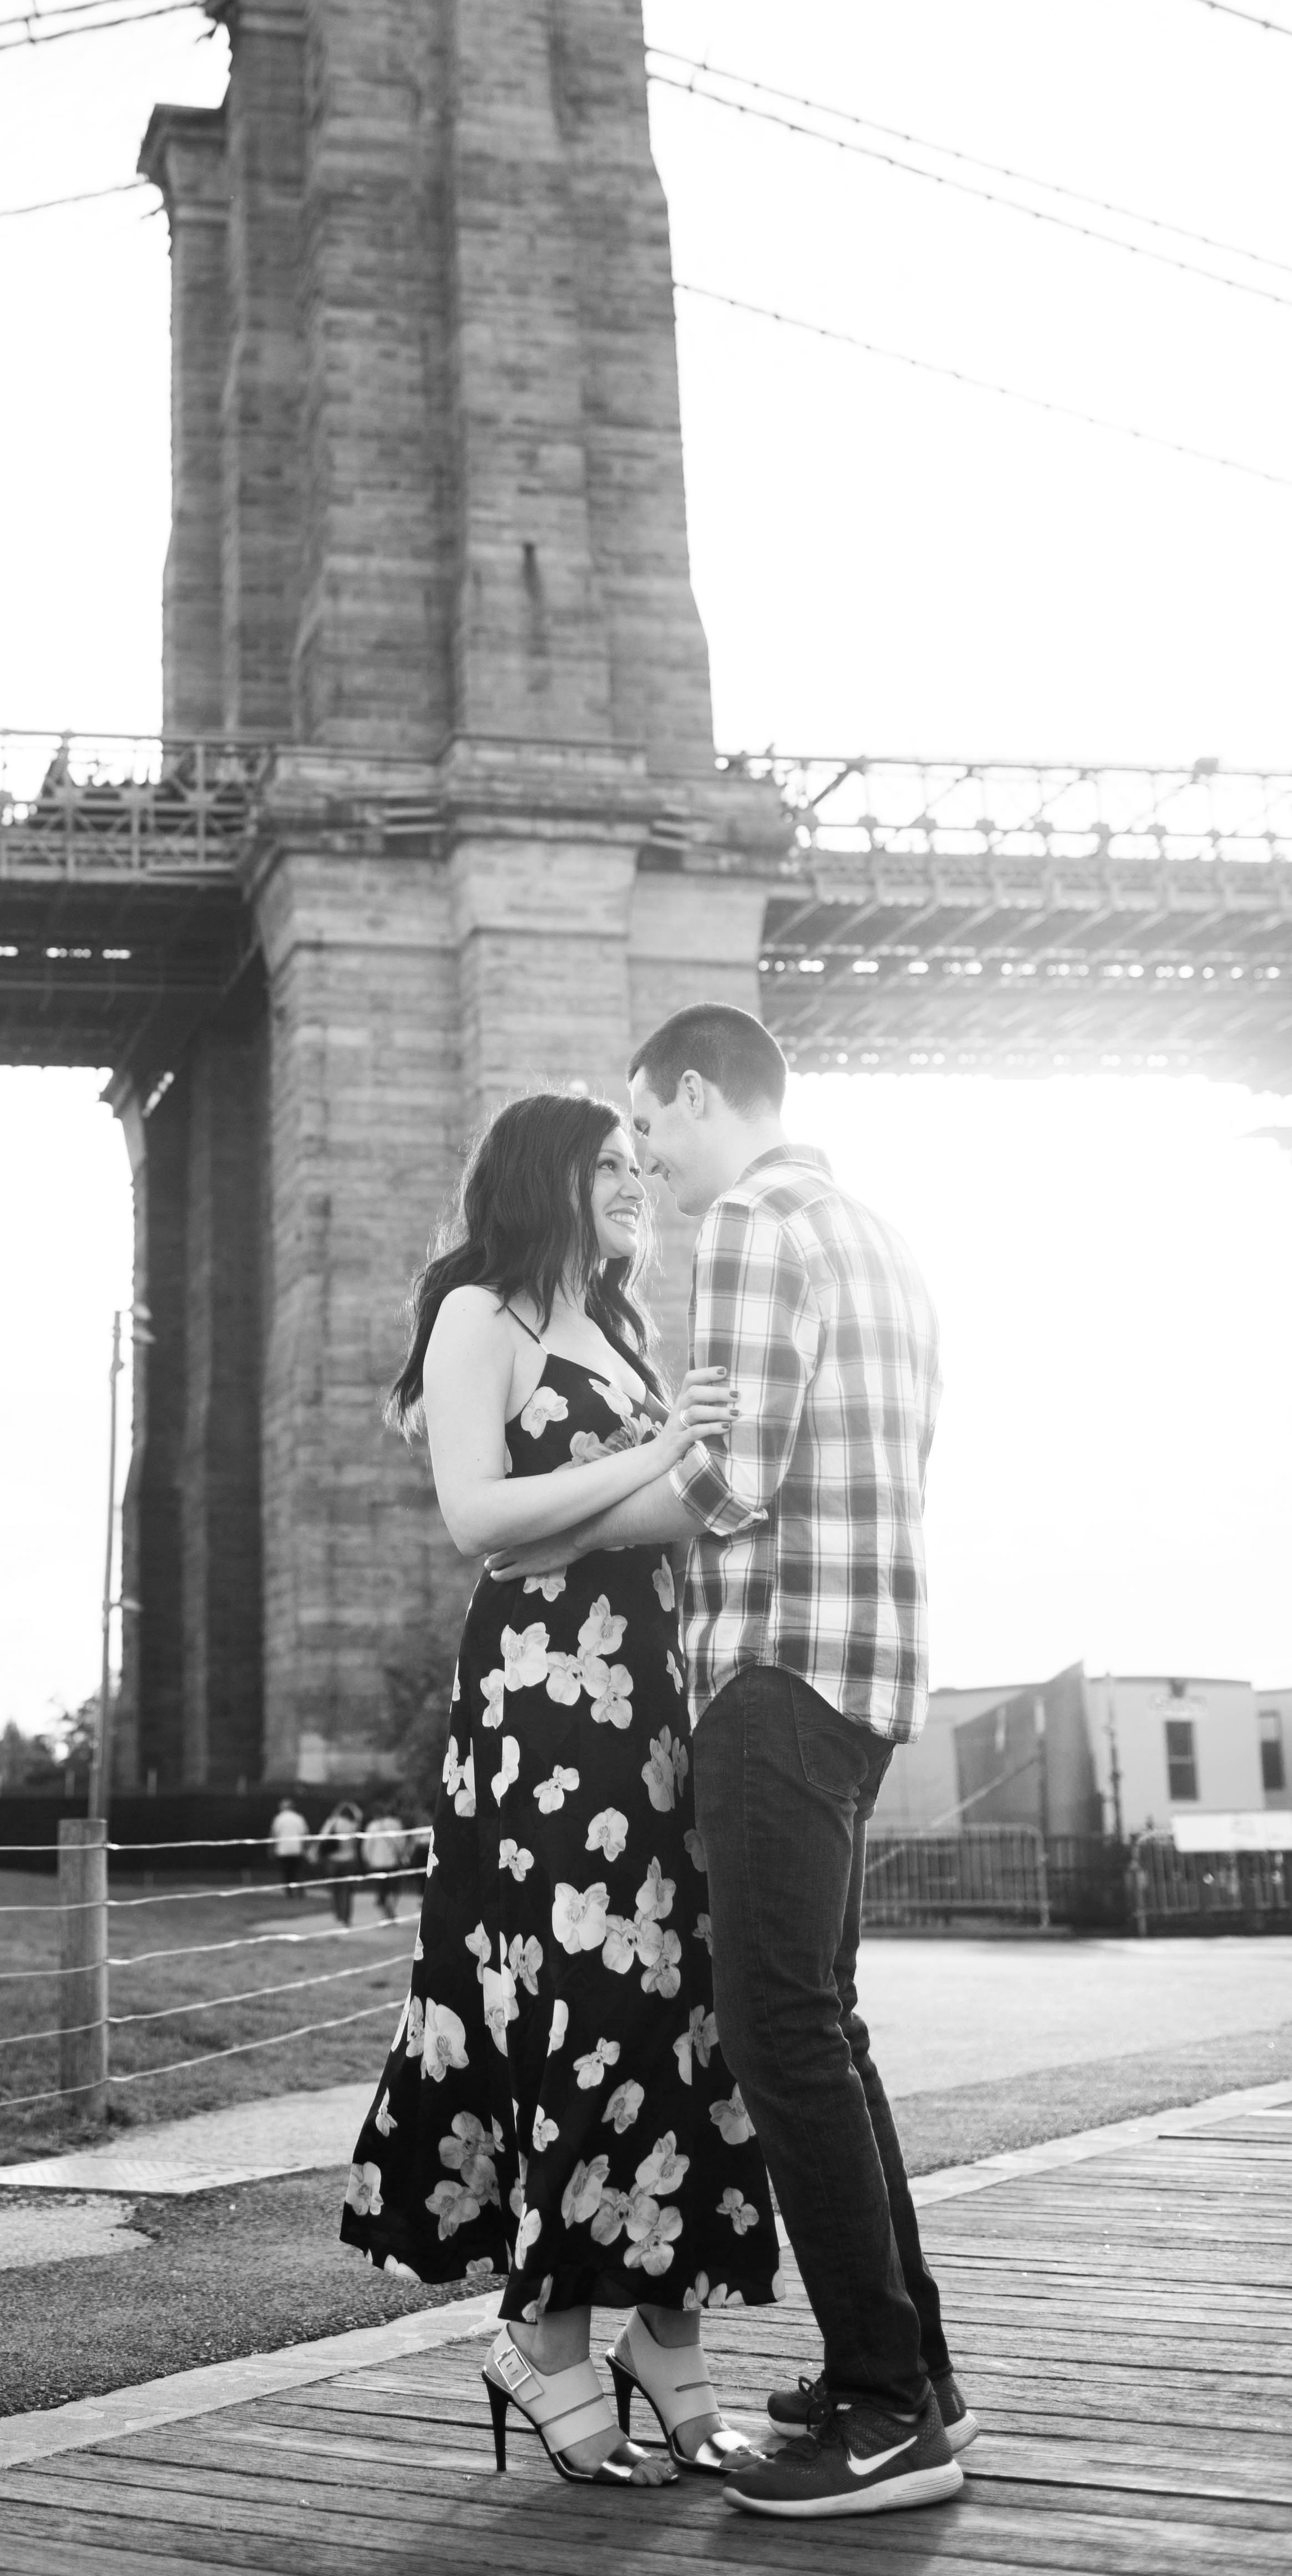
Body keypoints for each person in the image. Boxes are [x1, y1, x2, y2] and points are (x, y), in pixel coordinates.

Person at [340, 1090, 778, 2490]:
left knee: (672, 2013)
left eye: (640, 1160)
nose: (636, 1179)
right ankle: (545, 2333)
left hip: (651, 1700)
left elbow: (628, 1523)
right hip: (543, 1715)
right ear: (544, 1175)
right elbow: (481, 1520)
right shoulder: (486, 1316)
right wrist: (659, 1453)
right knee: (583, 2007)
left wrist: (723, 1469)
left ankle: (665, 2332)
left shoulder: (620, 1331)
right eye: (609, 1163)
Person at [620, 1004, 966, 2518]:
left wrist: (584, 1504)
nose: (649, 1166)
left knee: (779, 2038)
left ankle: (884, 2412)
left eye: (649, 1130)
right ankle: (909, 2375)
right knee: (826, 2025)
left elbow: (731, 1478)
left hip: (769, 1676)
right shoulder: (878, 1233)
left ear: (703, 1096)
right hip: (870, 1673)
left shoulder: (755, 1222)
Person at [317, 1798, 363, 1925]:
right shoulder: (354, 1825)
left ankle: (338, 1915)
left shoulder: (333, 1822)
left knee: (335, 1889)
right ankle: (346, 1917)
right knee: (347, 1890)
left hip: (334, 1860)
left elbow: (322, 1838)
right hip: (350, 1859)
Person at [361, 1805, 408, 1921]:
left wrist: (367, 1858)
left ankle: (384, 1913)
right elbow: (402, 1843)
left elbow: (367, 1845)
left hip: (377, 1862)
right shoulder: (397, 1825)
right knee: (393, 1887)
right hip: (393, 1861)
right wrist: (401, 1855)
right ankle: (390, 1907)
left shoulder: (373, 1826)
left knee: (381, 1888)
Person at [269, 1794, 310, 1897]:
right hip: (297, 1850)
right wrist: (306, 1848)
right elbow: (305, 1834)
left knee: (287, 1873)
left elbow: (274, 1835)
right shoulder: (299, 1818)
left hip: (283, 1851)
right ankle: (300, 1892)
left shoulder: (279, 1819)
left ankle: (289, 1894)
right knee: (298, 1872)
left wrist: (271, 1849)